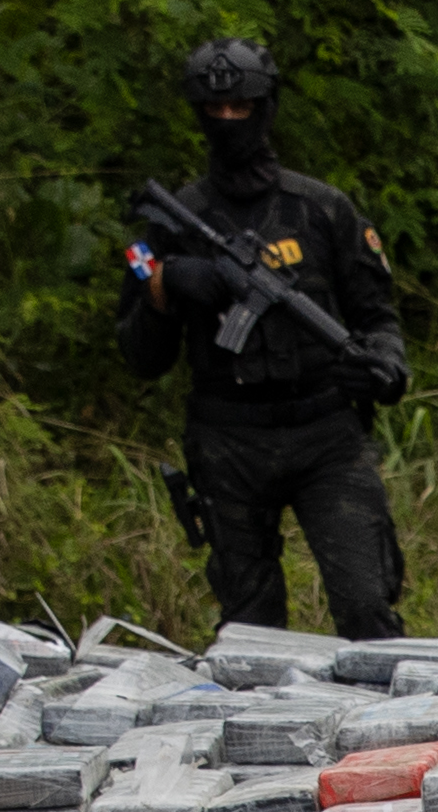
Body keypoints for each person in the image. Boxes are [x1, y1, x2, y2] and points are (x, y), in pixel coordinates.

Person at [117, 38, 414, 641]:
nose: (228, 122)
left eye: (242, 108)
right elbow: (141, 357)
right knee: (252, 634)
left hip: (327, 435)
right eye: (214, 110)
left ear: (267, 106)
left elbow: (377, 315)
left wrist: (383, 365)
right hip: (229, 442)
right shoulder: (171, 222)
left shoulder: (322, 210)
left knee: (366, 610)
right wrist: (169, 285)